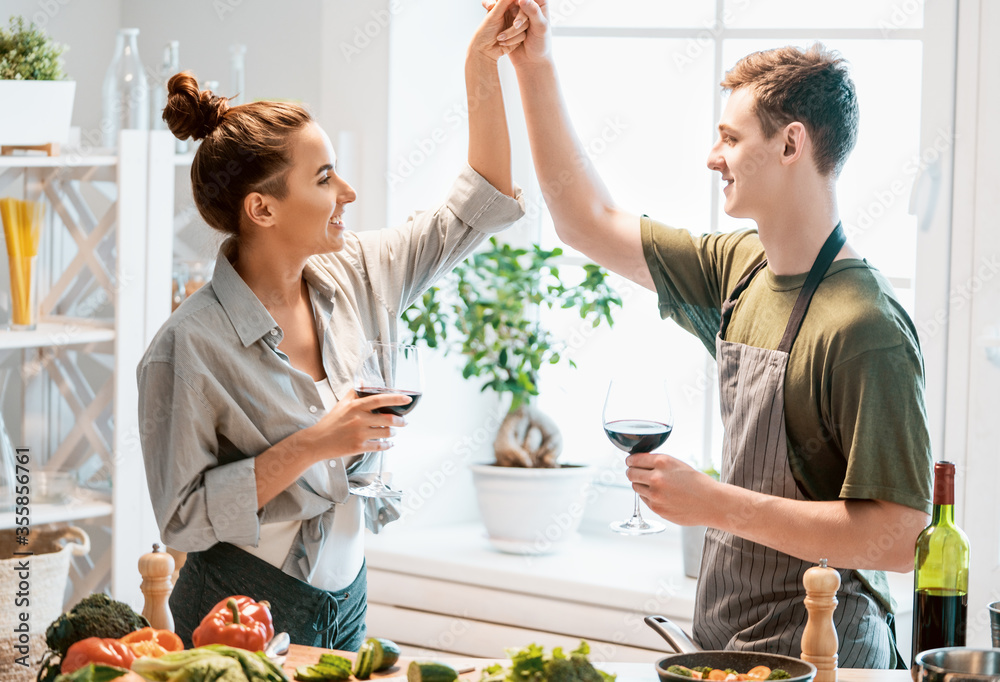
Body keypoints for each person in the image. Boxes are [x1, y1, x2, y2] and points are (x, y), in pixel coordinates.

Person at [494, 0, 933, 668]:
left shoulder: (865, 325)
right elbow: (585, 219)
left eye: (730, 138)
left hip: (828, 659)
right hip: (729, 649)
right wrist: (534, 62)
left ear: (790, 144)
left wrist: (715, 505)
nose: (711, 157)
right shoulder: (738, 267)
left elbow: (898, 537)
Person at [137, 1, 529, 650]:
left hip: (348, 599)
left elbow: (480, 203)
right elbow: (184, 521)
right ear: (261, 207)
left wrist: (481, 64)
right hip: (235, 609)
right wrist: (316, 442)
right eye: (323, 178)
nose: (347, 192)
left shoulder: (357, 271)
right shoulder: (187, 347)